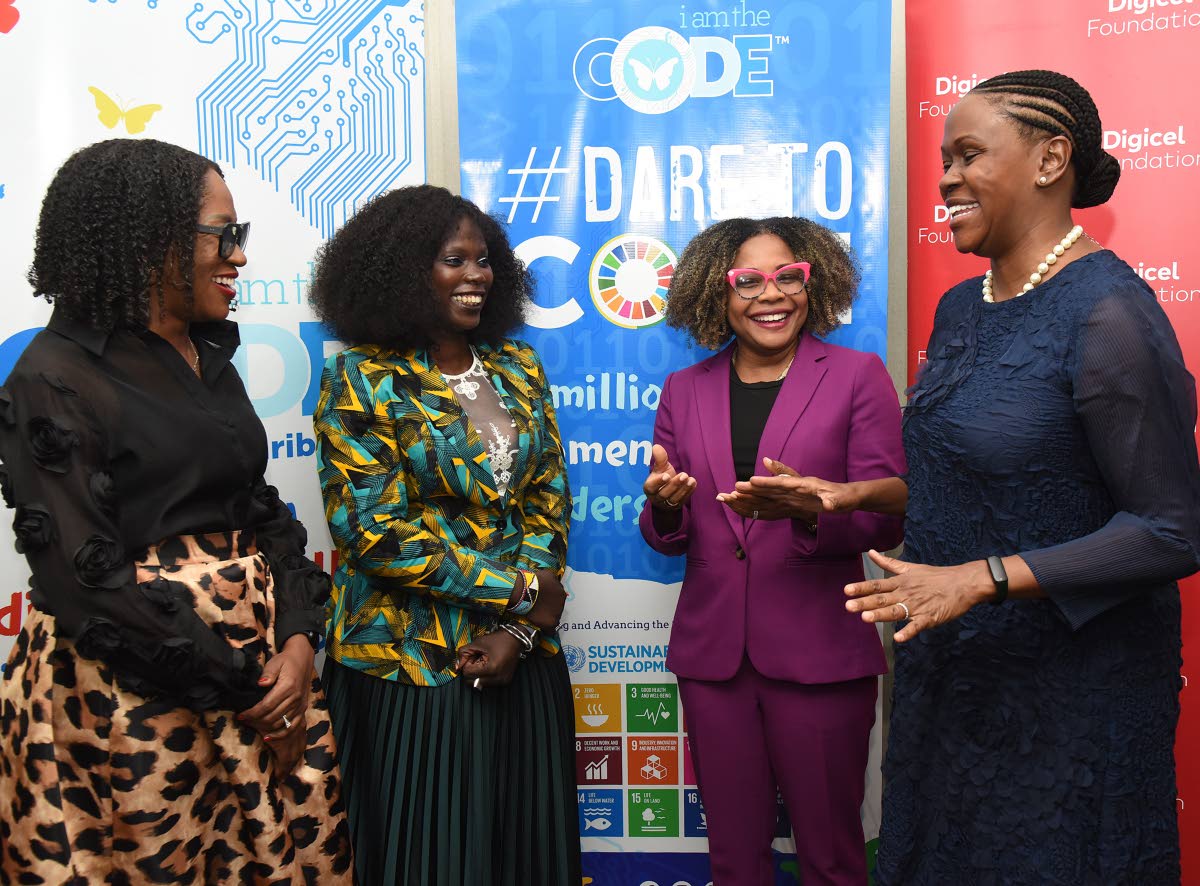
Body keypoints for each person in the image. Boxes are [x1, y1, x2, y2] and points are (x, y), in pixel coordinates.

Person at [815, 70, 1200, 883]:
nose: (947, 179)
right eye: (943, 161)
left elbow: (1170, 531)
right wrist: (851, 496)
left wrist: (981, 579)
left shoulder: (1111, 314)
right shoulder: (963, 306)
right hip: (956, 683)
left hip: (1072, 699)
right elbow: (990, 480)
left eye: (969, 155)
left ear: (1050, 160)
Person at [0, 139, 352, 882]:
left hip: (264, 679)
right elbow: (86, 583)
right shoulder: (54, 375)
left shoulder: (203, 354)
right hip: (133, 698)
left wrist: (296, 639)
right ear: (150, 240)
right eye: (224, 235)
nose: (239, 256)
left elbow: (259, 506)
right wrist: (247, 687)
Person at [309, 184, 579, 886]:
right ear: (403, 272)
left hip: (520, 658)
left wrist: (517, 633)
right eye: (453, 260)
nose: (476, 275)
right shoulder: (361, 377)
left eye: (483, 260)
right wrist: (520, 594)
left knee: (521, 852)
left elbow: (547, 500)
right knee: (428, 856)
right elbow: (375, 534)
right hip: (410, 663)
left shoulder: (519, 367)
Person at [638, 216, 906, 885]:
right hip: (715, 662)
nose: (772, 294)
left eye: (789, 276)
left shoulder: (856, 376)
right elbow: (668, 534)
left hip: (820, 654)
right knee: (734, 859)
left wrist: (811, 512)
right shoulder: (684, 388)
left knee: (831, 857)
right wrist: (666, 506)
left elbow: (887, 516)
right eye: (748, 281)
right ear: (717, 292)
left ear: (813, 283)